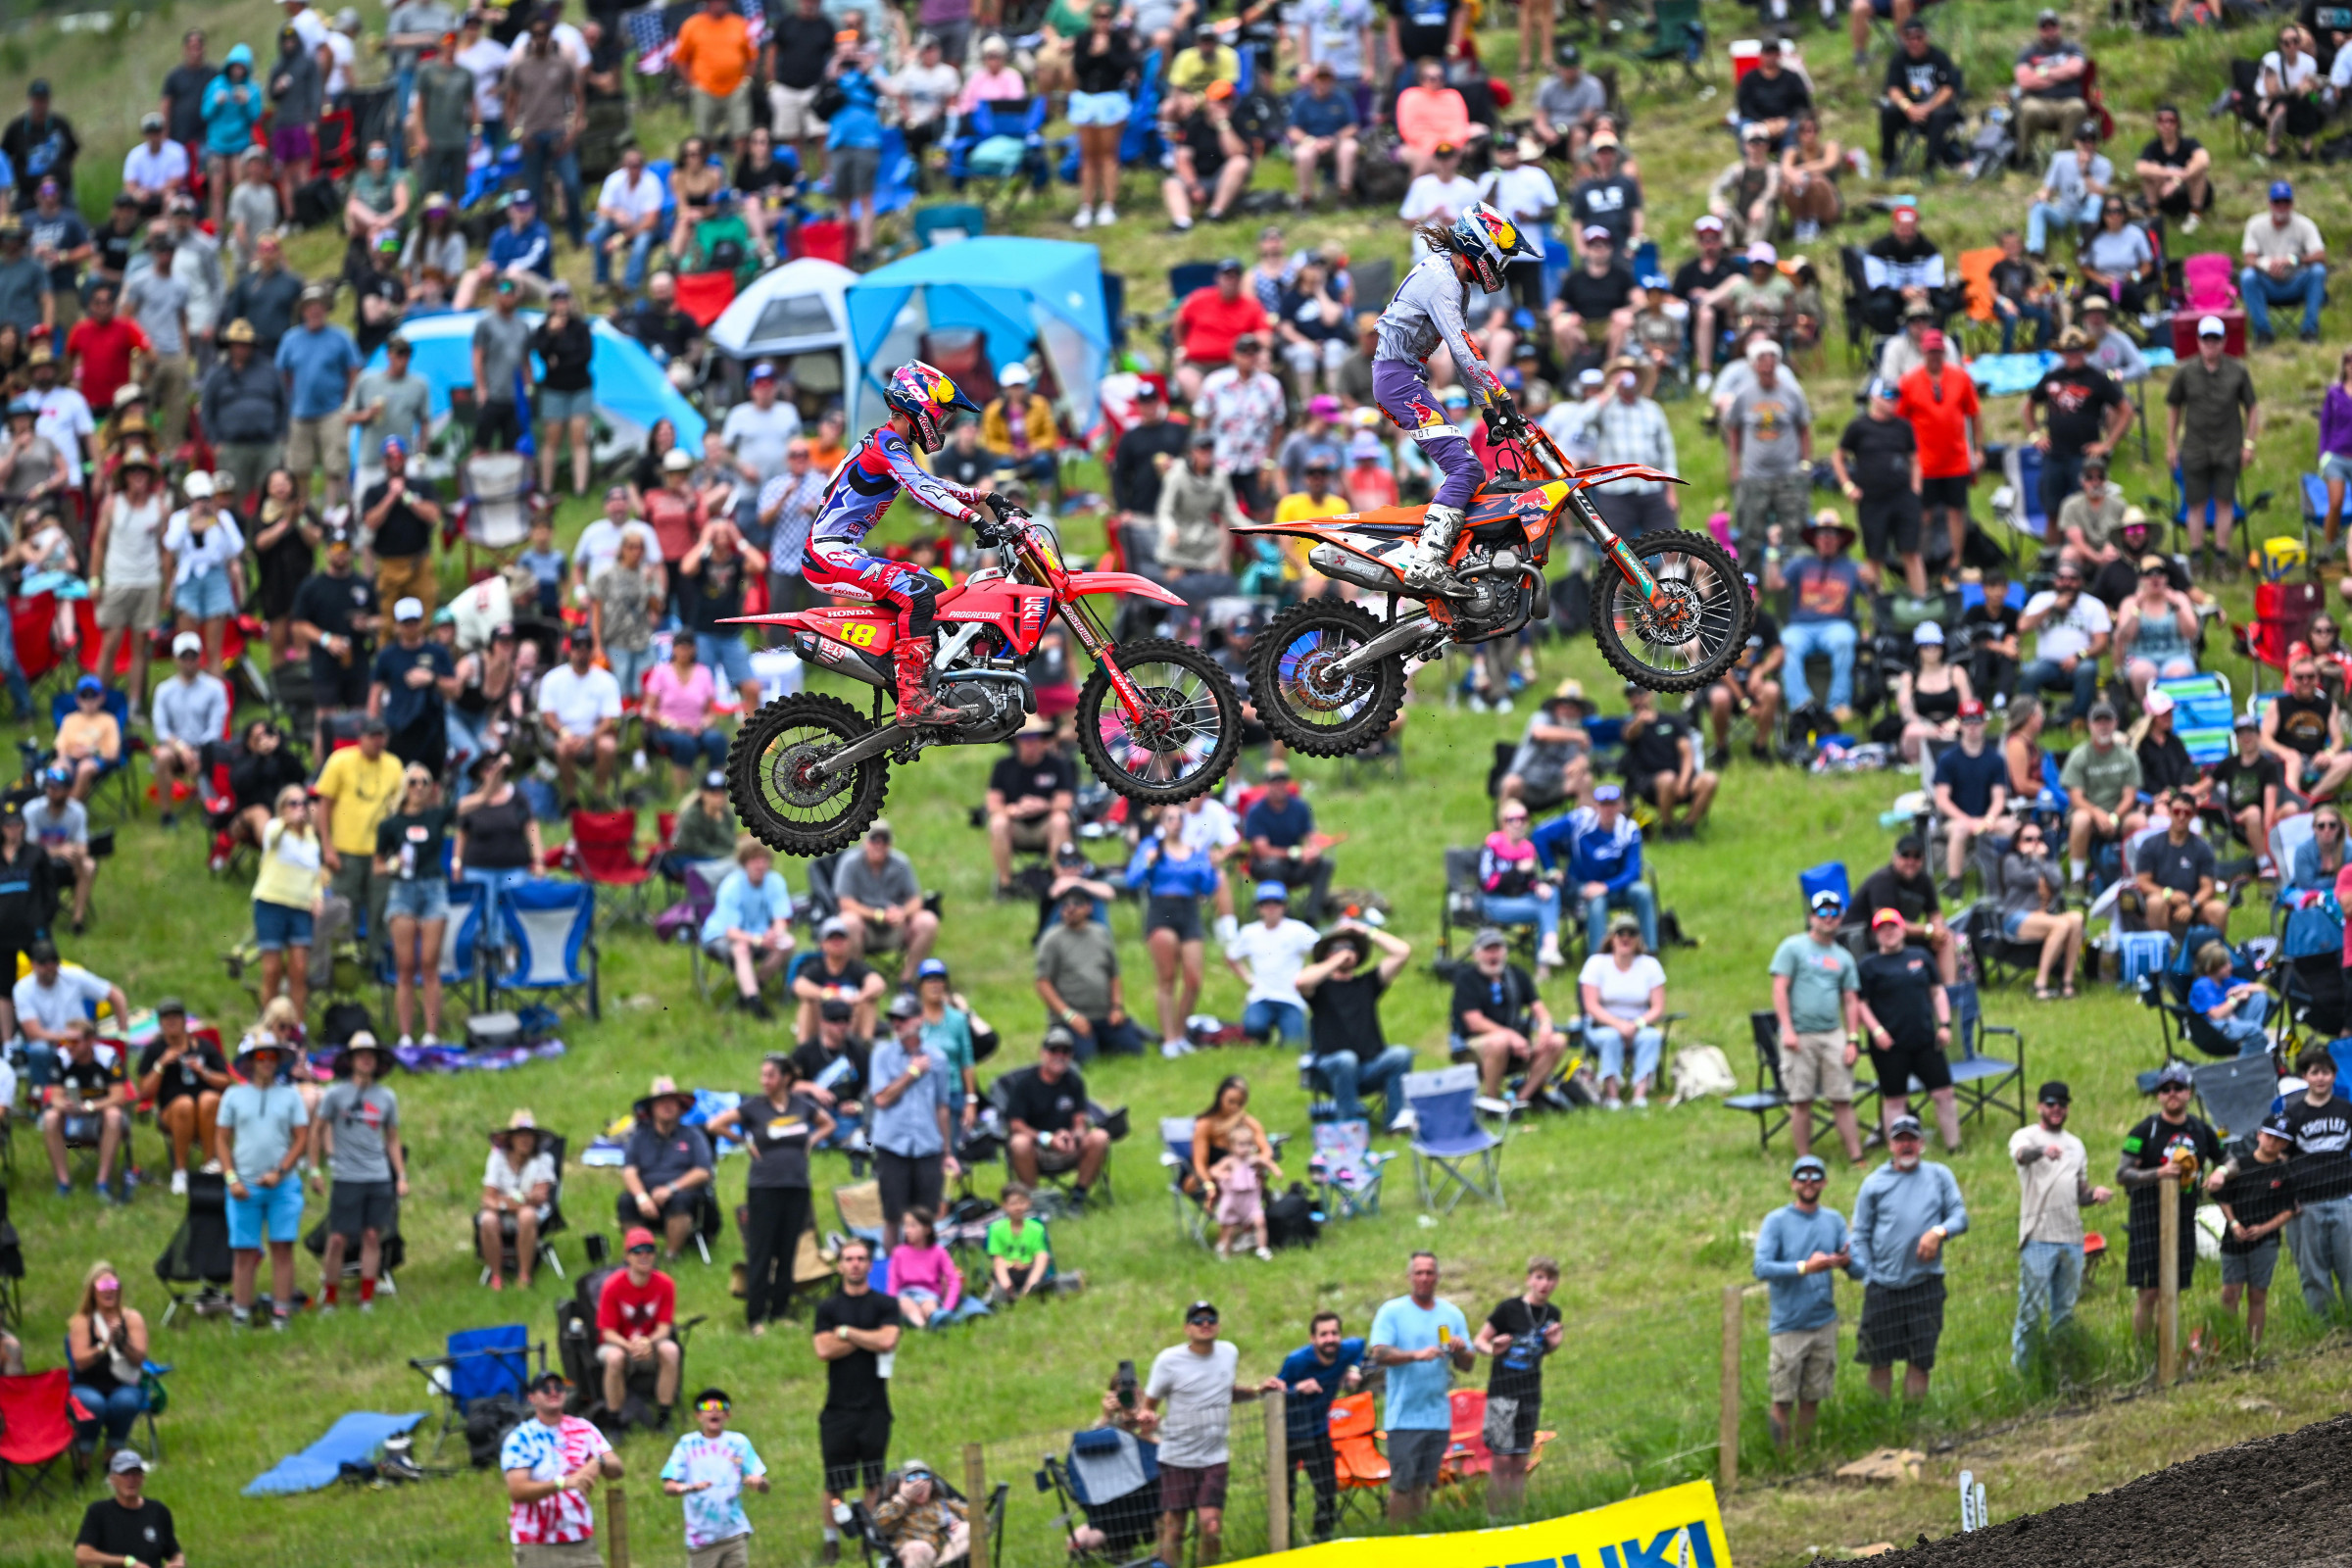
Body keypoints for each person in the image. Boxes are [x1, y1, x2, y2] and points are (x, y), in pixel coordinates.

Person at [1369, 200, 1535, 596]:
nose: (1502, 269)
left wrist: (1487, 409)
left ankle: (1454, 553)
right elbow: (1463, 350)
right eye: (1503, 258)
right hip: (1398, 380)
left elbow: (1463, 357)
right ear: (1483, 248)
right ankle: (1426, 561)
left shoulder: (1453, 281)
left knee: (1468, 468)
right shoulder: (1443, 281)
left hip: (1406, 378)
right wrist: (1500, 396)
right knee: (1466, 469)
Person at [1143, 1299, 1283, 1566]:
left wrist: (1256, 1390)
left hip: (1214, 1457)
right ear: (1187, 1328)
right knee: (1174, 1528)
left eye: (1211, 1319)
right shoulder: (1168, 1361)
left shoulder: (1229, 1353)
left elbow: (1224, 1391)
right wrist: (1146, 1418)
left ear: (1218, 1325)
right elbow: (1148, 1407)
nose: (1205, 1324)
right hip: (1177, 1457)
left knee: (1211, 1527)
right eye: (1197, 1320)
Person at [1849, 1114, 1967, 1401]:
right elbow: (1860, 1235)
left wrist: (1938, 1232)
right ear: (1890, 1145)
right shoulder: (1874, 1184)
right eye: (1900, 1140)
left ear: (1922, 1143)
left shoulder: (1939, 1175)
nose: (1906, 1145)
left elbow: (1960, 1216)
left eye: (1911, 1139)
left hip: (1925, 1283)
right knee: (1880, 1360)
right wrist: (1868, 1278)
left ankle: (1912, 1422)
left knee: (1920, 1359)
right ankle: (1879, 1423)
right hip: (1883, 1286)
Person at [2004, 1080, 2114, 1370]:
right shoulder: (2025, 1136)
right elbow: (2021, 1156)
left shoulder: (2076, 1145)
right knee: (2030, 1313)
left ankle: (2060, 1369)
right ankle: (2024, 1373)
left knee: (2064, 1313)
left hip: (2072, 1239)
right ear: (2039, 1106)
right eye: (2051, 1104)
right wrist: (2042, 1152)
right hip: (2038, 1237)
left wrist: (2096, 1195)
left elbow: (2081, 1194)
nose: (2057, 1109)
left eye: (2062, 1105)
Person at [2119, 1061, 2223, 1343]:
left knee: (2172, 1290)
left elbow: (2228, 1158)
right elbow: (2123, 1174)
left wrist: (2220, 1173)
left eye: (2179, 1088)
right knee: (2149, 1292)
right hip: (2147, 1221)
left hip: (2184, 1219)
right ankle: (2144, 1351)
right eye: (2166, 1089)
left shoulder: (2201, 1130)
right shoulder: (2144, 1130)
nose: (2172, 1093)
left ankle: (2167, 1348)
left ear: (2189, 1093)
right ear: (2158, 1095)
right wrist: (2158, 1173)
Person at [1367, 1252, 1473, 1523]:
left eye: (1429, 1272)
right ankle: (1397, 1548)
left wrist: (1461, 1351)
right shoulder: (1392, 1311)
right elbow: (1379, 1353)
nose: (1424, 1278)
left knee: (1423, 1485)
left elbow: (1468, 1364)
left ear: (1438, 1277)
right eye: (1419, 1272)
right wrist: (1416, 1355)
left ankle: (1418, 1538)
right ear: (1409, 1277)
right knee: (1402, 1486)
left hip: (1437, 1417)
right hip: (1404, 1418)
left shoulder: (1452, 1314)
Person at [217, 1030, 311, 1330]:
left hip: (282, 1185)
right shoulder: (233, 1095)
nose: (267, 1061)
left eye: (272, 1056)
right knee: (244, 1252)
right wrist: (231, 1178)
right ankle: (241, 1312)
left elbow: (301, 1139)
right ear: (250, 1061)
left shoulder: (290, 1095)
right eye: (261, 1056)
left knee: (282, 1247)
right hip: (243, 1185)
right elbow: (221, 1140)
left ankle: (281, 1312)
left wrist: (279, 1171)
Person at [812, 1237, 899, 1555]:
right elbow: (823, 1349)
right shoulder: (828, 1307)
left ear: (869, 1264)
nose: (855, 1264)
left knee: (873, 1480)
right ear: (839, 1265)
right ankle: (831, 1539)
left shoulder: (885, 1304)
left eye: (861, 1258)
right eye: (849, 1259)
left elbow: (888, 1341)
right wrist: (869, 1339)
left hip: (875, 1406)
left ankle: (869, 1536)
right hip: (837, 1408)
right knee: (834, 1482)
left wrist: (847, 1333)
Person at [312, 1032, 407, 1311]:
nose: (366, 1060)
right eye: (361, 1055)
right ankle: (330, 1297)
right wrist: (315, 1169)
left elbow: (392, 1138)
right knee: (338, 1238)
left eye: (371, 1056)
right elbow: (316, 1131)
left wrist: (400, 1175)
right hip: (346, 1177)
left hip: (378, 1176)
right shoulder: (334, 1094)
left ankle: (366, 1297)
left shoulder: (387, 1097)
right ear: (351, 1060)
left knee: (372, 1236)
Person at [1770, 888, 1865, 1165]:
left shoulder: (1844, 958)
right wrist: (1787, 1029)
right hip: (1799, 1034)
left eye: (1834, 912)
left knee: (1842, 1097)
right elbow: (1779, 990)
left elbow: (1850, 1000)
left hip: (1832, 1033)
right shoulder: (1793, 947)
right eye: (1822, 912)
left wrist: (1852, 1038)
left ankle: (1856, 1156)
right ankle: (1804, 1160)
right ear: (1812, 916)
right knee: (1802, 1101)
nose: (1828, 917)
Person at [1855, 906, 1959, 1151]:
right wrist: (1876, 1031)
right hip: (1889, 1045)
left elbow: (1937, 992)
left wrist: (1944, 1024)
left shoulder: (1921, 957)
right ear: (1875, 935)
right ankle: (1898, 1150)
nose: (1888, 932)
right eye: (1882, 929)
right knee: (1895, 1099)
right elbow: (1860, 1004)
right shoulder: (1869, 965)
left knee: (1943, 1093)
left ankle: (1955, 1146)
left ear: (1903, 929)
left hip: (1925, 1038)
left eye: (1893, 927)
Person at [1299, 922, 1416, 1130]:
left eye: (1351, 948)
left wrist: (1367, 931)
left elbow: (1402, 952)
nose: (1346, 953)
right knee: (1346, 1059)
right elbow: (1301, 982)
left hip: (1369, 1067)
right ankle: (1349, 1129)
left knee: (1401, 1054)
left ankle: (1396, 1124)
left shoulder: (1367, 983)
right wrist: (1335, 961)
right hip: (1329, 1068)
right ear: (1327, 955)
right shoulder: (1320, 988)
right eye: (1337, 948)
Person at [2167, 316, 2262, 569]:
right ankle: (2196, 557)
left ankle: (2221, 556)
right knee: (2194, 503)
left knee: (2225, 501)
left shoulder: (2238, 371)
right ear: (2198, 341)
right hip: (2195, 447)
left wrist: (2249, 444)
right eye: (2205, 339)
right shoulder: (2185, 372)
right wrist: (2171, 444)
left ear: (2224, 341)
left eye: (2215, 339)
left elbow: (2252, 407)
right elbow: (2174, 406)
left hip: (2228, 447)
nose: (2210, 344)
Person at [503, 1368, 624, 1566]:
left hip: (580, 1539)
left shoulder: (583, 1428)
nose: (553, 1391)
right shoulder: (521, 1438)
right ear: (532, 1398)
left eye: (558, 1387)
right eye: (545, 1388)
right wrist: (563, 1483)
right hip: (536, 1543)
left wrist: (599, 1461)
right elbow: (517, 1490)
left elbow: (617, 1468)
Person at [869, 991, 959, 1251]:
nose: (897, 1024)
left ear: (919, 1019)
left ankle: (926, 1272)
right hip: (892, 1145)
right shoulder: (882, 1054)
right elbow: (882, 1098)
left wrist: (947, 1151)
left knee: (926, 1216)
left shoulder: (938, 1058)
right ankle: (892, 1272)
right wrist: (912, 1073)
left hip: (928, 1146)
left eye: (903, 1018)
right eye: (894, 1018)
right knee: (893, 1216)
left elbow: (942, 1106)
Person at [2211, 1116, 2299, 1351]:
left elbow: (2289, 1209)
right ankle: (2226, 1344)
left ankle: (2253, 1347)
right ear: (2259, 1135)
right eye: (2269, 1136)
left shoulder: (2284, 1172)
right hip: (2234, 1238)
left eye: (2279, 1140)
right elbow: (2223, 1198)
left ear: (2285, 1145)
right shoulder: (2239, 1165)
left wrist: (2264, 1229)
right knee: (2230, 1292)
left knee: (2258, 1293)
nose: (2272, 1143)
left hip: (2266, 1241)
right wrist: (2234, 1224)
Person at [1276, 1311, 1363, 1543]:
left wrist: (1354, 1370)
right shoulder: (1296, 1361)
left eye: (1335, 1333)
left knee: (1327, 1492)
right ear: (1312, 1338)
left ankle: (1321, 1540)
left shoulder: (1348, 1350)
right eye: (1323, 1334)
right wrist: (1297, 1388)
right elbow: (1274, 1392)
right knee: (1286, 1497)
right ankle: (1285, 1544)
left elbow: (1362, 1345)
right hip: (1288, 1435)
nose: (1330, 1339)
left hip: (1318, 1431)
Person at [658, 1388, 768, 1568]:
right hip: (701, 1539)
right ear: (698, 1415)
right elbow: (669, 1487)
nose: (714, 1410)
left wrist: (759, 1482)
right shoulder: (687, 1445)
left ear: (728, 1415)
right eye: (707, 1406)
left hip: (734, 1534)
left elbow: (764, 1484)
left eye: (720, 1406)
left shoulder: (738, 1443)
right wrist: (692, 1487)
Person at [2278, 1047, 2352, 1319]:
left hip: (2344, 1197)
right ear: (2304, 1076)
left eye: (2326, 1072)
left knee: (2350, 1265)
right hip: (2306, 1203)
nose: (2320, 1078)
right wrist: (2287, 1197)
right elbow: (2281, 1161)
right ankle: (2324, 1323)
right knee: (2312, 1270)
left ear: (2334, 1076)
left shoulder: (2347, 1110)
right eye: (2314, 1072)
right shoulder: (2293, 1115)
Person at [1767, 512, 1862, 721]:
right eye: (1822, 534)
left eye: (1832, 534)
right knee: (1788, 643)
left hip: (1836, 625)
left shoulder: (1853, 567)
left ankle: (1838, 705)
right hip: (1801, 627)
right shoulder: (1801, 564)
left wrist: (1873, 575)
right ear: (1815, 539)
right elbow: (1773, 584)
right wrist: (1772, 550)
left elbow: (1874, 593)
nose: (1827, 539)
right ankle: (1801, 706)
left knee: (1844, 640)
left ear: (1840, 540)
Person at [1004, 1026, 1111, 1199]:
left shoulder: (1074, 1082)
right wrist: (1047, 1139)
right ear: (1043, 1053)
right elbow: (1016, 1125)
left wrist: (1072, 1136)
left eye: (1065, 1051)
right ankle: (1035, 1199)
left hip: (1068, 1146)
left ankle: (1079, 1195)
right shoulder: (1024, 1085)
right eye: (1054, 1050)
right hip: (1037, 1148)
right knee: (1019, 1143)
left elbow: (1080, 1121)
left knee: (1100, 1137)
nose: (1059, 1056)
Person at [1577, 912, 1667, 1110]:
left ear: (1638, 939)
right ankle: (1612, 1096)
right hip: (1602, 1026)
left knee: (1651, 1037)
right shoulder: (1596, 964)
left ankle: (1640, 1095)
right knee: (1610, 1038)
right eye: (1620, 933)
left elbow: (1658, 1008)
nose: (1626, 938)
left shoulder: (1650, 966)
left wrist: (1637, 1024)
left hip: (1639, 1025)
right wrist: (1618, 1025)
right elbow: (1590, 1005)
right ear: (1612, 938)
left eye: (1631, 933)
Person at [136, 1000, 227, 1196]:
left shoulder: (205, 1046)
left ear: (184, 1020)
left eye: (176, 1016)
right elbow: (143, 1092)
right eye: (166, 1017)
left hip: (207, 1110)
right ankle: (180, 1172)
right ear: (160, 1023)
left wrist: (204, 1072)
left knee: (209, 1099)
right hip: (173, 1112)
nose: (171, 1021)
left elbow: (226, 1082)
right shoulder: (154, 1050)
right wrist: (161, 1064)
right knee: (184, 1105)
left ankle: (209, 1168)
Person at [620, 1077, 713, 1259]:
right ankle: (639, 1254)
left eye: (672, 1102)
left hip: (681, 1191)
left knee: (681, 1200)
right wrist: (641, 1198)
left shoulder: (693, 1135)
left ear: (680, 1107)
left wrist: (671, 1189)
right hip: (646, 1195)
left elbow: (703, 1171)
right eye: (662, 1102)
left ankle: (671, 1255)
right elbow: (629, 1171)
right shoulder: (639, 1137)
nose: (667, 1106)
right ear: (652, 1109)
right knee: (626, 1201)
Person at [598, 1228, 683, 1425]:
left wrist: (646, 1342)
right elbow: (607, 1332)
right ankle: (615, 1421)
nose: (644, 1255)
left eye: (649, 1250)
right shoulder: (612, 1285)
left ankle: (664, 1417)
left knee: (671, 1350)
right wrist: (629, 1346)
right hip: (618, 1344)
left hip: (650, 1343)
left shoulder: (665, 1284)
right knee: (614, 1358)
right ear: (627, 1256)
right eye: (637, 1250)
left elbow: (664, 1329)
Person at [41, 1020, 129, 1203]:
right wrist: (62, 1104)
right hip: (72, 1114)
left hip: (101, 1113)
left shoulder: (109, 1057)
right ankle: (63, 1183)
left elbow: (119, 1096)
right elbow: (55, 1095)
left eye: (75, 1041)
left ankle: (102, 1183)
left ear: (90, 1041)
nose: (69, 1046)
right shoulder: (61, 1056)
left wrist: (90, 1106)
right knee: (50, 1117)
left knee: (114, 1115)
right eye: (66, 1040)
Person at [2018, 561, 2111, 726]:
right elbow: (2023, 626)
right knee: (2030, 673)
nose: (2067, 582)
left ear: (2081, 581)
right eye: (2062, 578)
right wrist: (2052, 608)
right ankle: (2031, 720)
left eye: (2072, 578)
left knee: (2088, 669)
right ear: (2055, 581)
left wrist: (2079, 655)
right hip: (2047, 663)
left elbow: (2102, 644)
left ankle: (2078, 720)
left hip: (2080, 662)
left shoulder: (2093, 605)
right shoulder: (2042, 599)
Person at [2061, 702, 2143, 885]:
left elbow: (2130, 796)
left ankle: (2137, 878)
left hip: (2118, 814)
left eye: (2108, 721)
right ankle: (2077, 879)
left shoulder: (2128, 756)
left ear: (2116, 723)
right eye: (2098, 721)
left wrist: (2113, 817)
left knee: (2139, 821)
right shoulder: (2079, 755)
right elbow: (2075, 797)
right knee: (2080, 819)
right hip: (2089, 814)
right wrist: (2097, 814)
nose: (2103, 726)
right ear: (2090, 725)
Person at [2240, 179, 2327, 347]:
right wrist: (2267, 264)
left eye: (2286, 201)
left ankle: (2310, 331)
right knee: (2247, 276)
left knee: (2318, 271)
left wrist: (2292, 260)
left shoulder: (2305, 225)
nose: (2281, 206)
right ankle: (2263, 333)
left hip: (2296, 282)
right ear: (2270, 203)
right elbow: (2248, 258)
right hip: (2267, 283)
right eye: (2277, 201)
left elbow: (2321, 255)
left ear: (2292, 203)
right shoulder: (2255, 224)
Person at [479, 1109, 557, 1292]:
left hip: (531, 1212)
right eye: (520, 1135)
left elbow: (539, 1197)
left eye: (529, 1136)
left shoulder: (544, 1159)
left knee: (527, 1215)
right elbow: (487, 1197)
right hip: (502, 1212)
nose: (525, 1140)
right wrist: (516, 1201)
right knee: (487, 1220)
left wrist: (503, 1202)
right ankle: (496, 1276)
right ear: (511, 1139)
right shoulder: (496, 1158)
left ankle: (524, 1275)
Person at [75, 1449, 184, 1568]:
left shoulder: (158, 1511)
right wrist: (127, 1561)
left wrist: (178, 1562)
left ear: (143, 1478)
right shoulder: (99, 1511)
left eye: (136, 1473)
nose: (131, 1479)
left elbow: (174, 1551)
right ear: (112, 1480)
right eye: (125, 1474)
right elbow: (82, 1555)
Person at [1881, 19, 1962, 172]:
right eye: (1910, 38)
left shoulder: (1939, 57)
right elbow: (1893, 90)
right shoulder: (1898, 60)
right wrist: (1908, 108)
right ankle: (1889, 162)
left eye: (1919, 37)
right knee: (1888, 111)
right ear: (1904, 40)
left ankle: (1930, 165)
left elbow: (1948, 89)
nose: (1915, 42)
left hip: (1934, 108)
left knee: (1941, 114)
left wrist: (1928, 107)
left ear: (1926, 37)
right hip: (1909, 110)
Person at [871, 1459, 967, 1568]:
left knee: (970, 1528)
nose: (918, 1483)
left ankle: (939, 1564)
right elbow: (877, 1526)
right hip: (910, 1551)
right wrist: (903, 1499)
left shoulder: (942, 1504)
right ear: (902, 1484)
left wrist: (958, 1522)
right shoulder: (895, 1504)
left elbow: (980, 1517)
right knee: (919, 1549)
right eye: (910, 1478)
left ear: (931, 1483)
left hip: (941, 1551)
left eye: (924, 1476)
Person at [984, 1181, 1051, 1304]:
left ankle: (1030, 1287)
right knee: (999, 1266)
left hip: (1028, 1269)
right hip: (1008, 1270)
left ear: (1029, 1203)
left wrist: (1028, 1269)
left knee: (1043, 1257)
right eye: (1013, 1203)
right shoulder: (996, 1229)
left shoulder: (1036, 1228)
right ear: (1004, 1205)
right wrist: (1008, 1272)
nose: (1018, 1207)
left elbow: (1039, 1255)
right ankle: (1006, 1289)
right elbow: (998, 1258)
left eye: (1022, 1202)